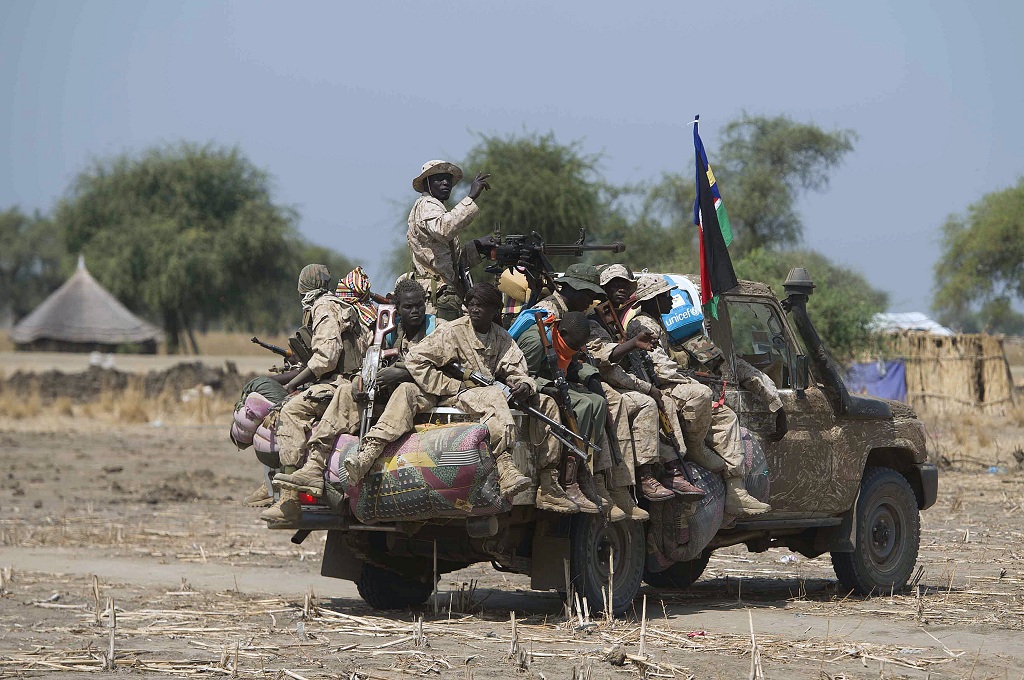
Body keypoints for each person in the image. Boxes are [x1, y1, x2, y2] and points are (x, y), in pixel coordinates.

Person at [348, 283, 570, 510]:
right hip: (454, 393)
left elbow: (517, 369)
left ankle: (548, 482)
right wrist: (450, 385)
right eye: (471, 304)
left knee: (546, 403)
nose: (474, 310)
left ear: (494, 310)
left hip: (482, 393)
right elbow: (416, 359)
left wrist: (524, 385)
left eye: (481, 306)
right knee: (409, 391)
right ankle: (368, 453)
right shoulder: (453, 331)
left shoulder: (501, 338)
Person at [627, 274, 771, 518]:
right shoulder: (645, 325)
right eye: (667, 296)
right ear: (654, 299)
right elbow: (660, 367)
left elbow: (720, 363)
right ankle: (695, 448)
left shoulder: (679, 330)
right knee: (701, 394)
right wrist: (692, 378)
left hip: (686, 387)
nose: (672, 301)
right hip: (667, 389)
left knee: (726, 417)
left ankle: (736, 491)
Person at [588, 265, 706, 508]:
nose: (620, 289)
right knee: (649, 402)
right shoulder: (596, 322)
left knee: (664, 403)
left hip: (623, 380)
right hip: (603, 383)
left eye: (624, 285)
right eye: (613, 285)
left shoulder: (615, 319)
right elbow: (606, 363)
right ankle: (645, 475)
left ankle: (673, 469)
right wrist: (644, 385)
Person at [260, 265, 369, 526]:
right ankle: (276, 486)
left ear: (303, 290)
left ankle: (289, 501)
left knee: (290, 410)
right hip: (344, 381)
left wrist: (292, 385)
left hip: (341, 383)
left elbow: (325, 359)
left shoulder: (323, 307)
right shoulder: (335, 305)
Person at [515, 310, 602, 514]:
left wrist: (591, 376)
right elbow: (521, 375)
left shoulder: (566, 341)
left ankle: (583, 469)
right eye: (574, 345)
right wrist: (546, 388)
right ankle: (567, 478)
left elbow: (571, 365)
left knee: (597, 402)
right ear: (562, 333)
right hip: (533, 388)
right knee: (582, 405)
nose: (575, 349)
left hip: (555, 381)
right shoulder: (536, 341)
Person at [406, 160, 494, 321]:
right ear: (427, 183)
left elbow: (448, 261)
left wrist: (477, 247)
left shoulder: (437, 207)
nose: (446, 183)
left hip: (445, 293)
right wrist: (470, 197)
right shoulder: (427, 204)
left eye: (448, 179)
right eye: (439, 179)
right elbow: (444, 229)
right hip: (436, 297)